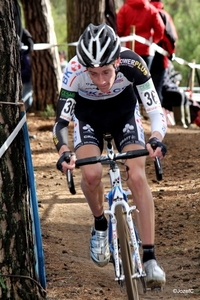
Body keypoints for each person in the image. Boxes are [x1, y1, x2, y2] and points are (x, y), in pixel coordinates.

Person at [53, 23, 167, 289]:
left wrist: (156, 139)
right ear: (84, 68)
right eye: (93, 74)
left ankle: (150, 258)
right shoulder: (73, 70)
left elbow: (154, 110)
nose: (101, 81)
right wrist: (64, 151)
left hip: (124, 115)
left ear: (117, 60)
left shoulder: (133, 63)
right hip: (88, 119)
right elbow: (60, 123)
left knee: (137, 176)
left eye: (106, 72)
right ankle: (100, 224)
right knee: (91, 173)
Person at [116, 0, 165, 69]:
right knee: (145, 78)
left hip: (127, 51)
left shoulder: (124, 9)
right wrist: (152, 41)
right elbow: (160, 29)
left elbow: (119, 30)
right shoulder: (151, 9)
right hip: (146, 51)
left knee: (127, 78)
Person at [150, 0, 178, 103]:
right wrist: (171, 53)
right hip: (159, 60)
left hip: (138, 56)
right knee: (156, 92)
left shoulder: (141, 11)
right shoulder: (162, 14)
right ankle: (157, 118)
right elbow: (170, 37)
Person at [162, 61, 191, 128]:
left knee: (184, 95)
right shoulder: (161, 61)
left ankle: (187, 123)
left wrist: (175, 81)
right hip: (163, 90)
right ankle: (179, 124)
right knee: (179, 95)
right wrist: (172, 85)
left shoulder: (168, 62)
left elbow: (176, 75)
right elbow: (164, 81)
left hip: (170, 86)